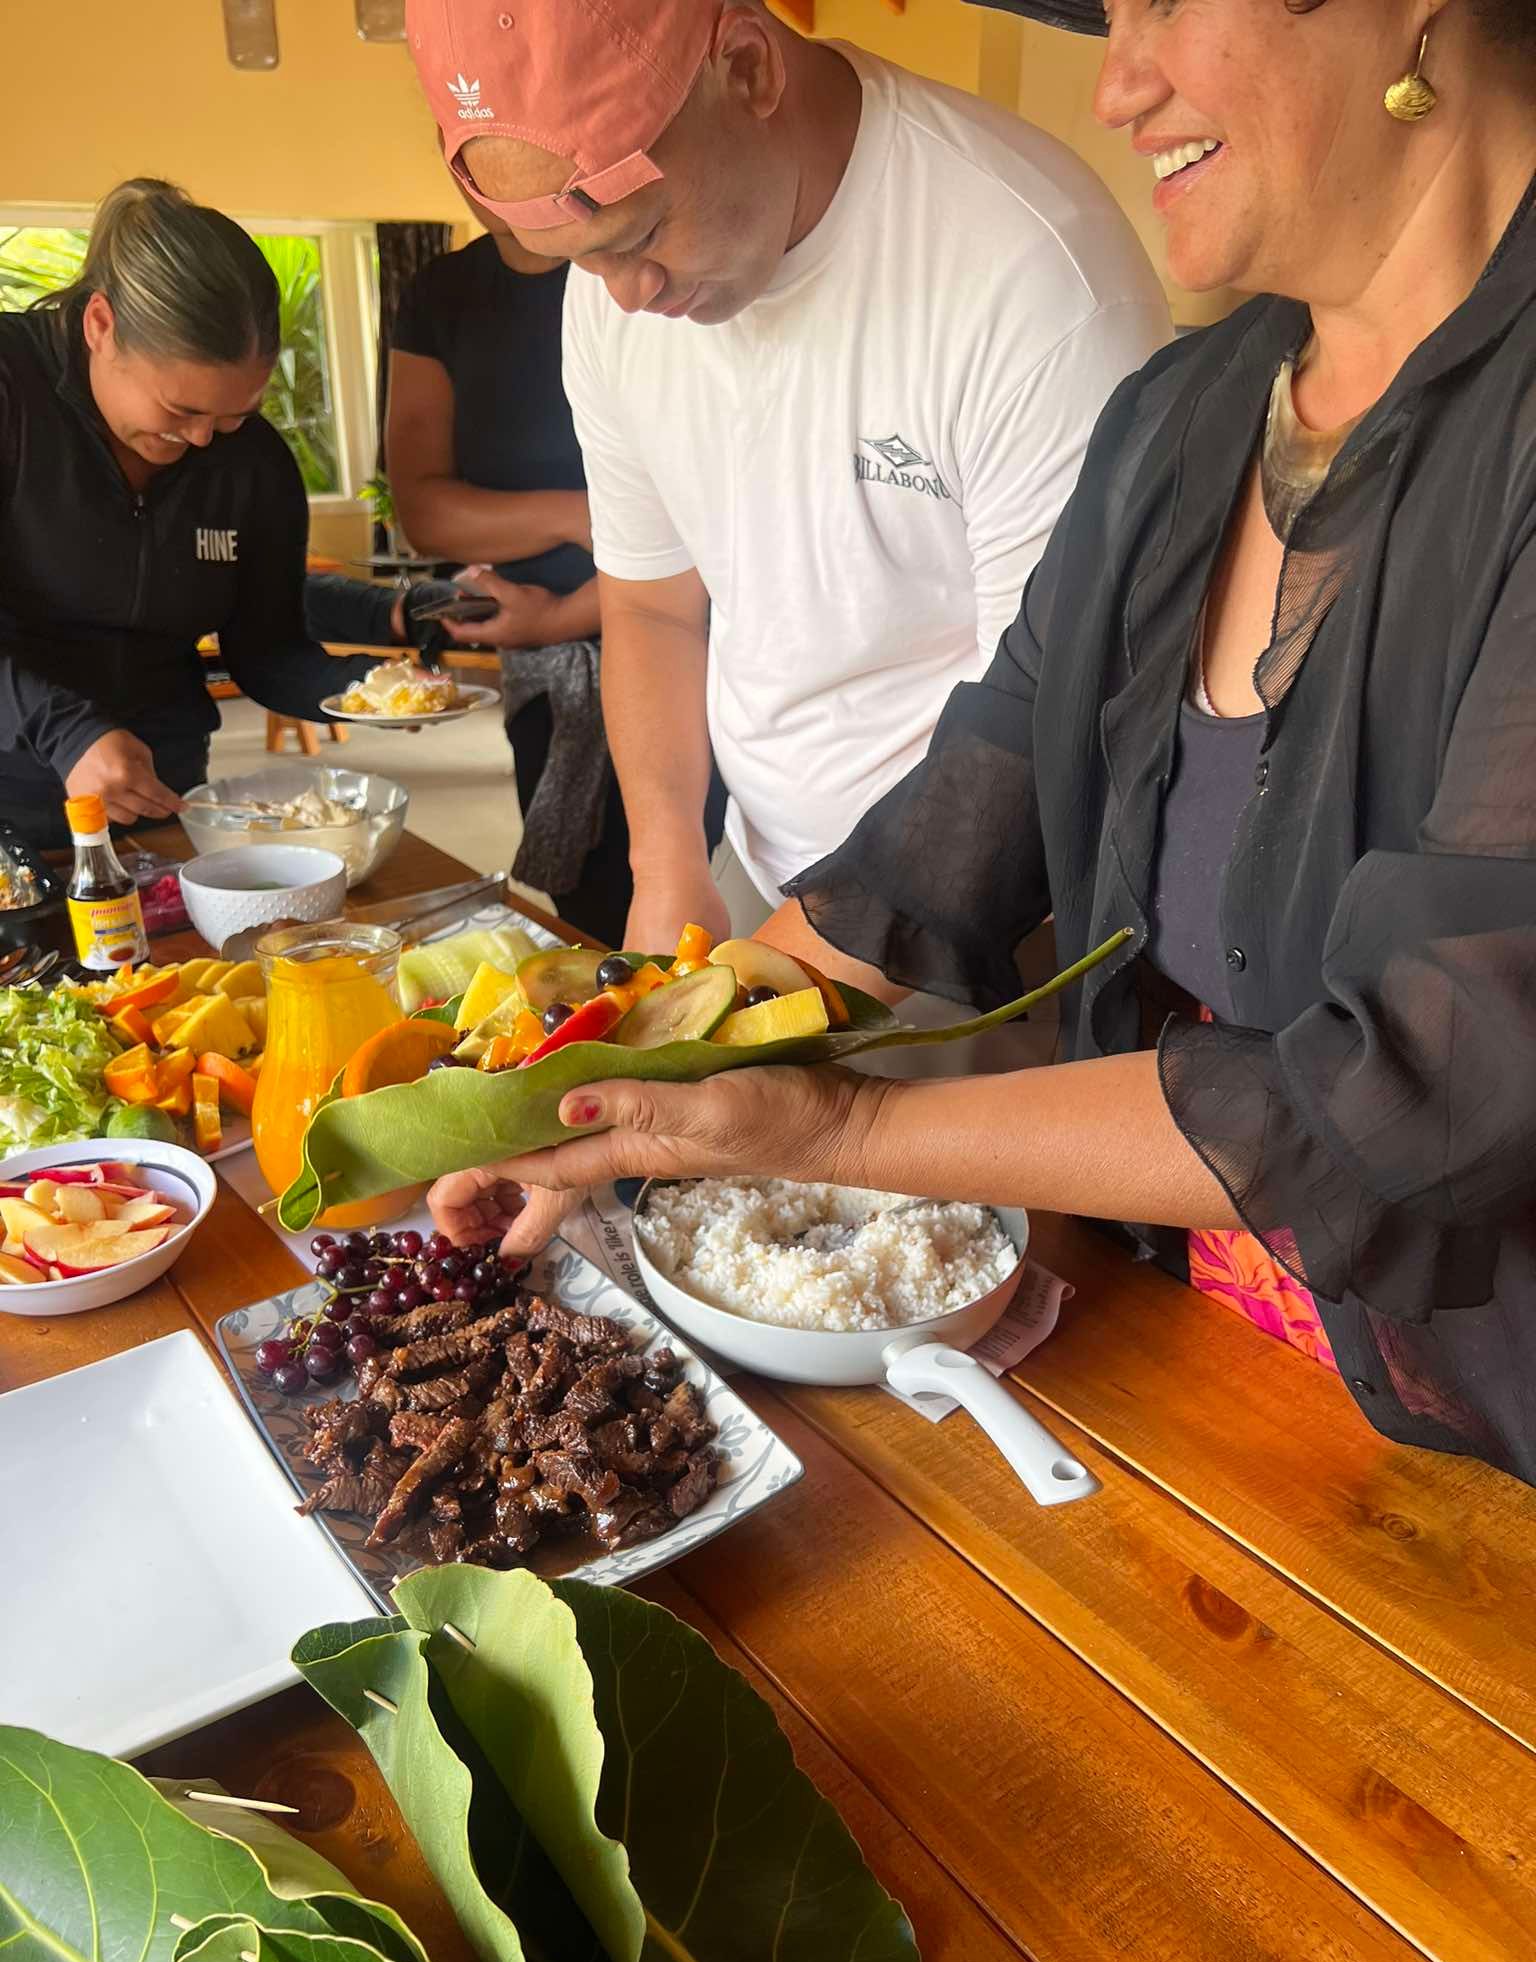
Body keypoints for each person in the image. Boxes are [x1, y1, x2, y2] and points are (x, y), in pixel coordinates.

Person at [430, 0, 1536, 1487]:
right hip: (1211, 1341)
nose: (1120, 81)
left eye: (1169, 6)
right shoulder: (1188, 419)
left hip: (1481, 1418)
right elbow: (965, 815)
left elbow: (1424, 1086)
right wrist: (622, 1087)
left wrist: (835, 1132)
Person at [404, 0, 1170, 957]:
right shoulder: (612, 295)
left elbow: (1042, 733)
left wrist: (793, 981)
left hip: (990, 910)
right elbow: (653, 606)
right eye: (580, 262)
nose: (624, 299)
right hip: (756, 866)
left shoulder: (1030, 274)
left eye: (640, 237)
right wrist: (667, 862)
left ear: (751, 70)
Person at [0, 178, 382, 846]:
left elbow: (268, 650)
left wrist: (371, 687)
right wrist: (66, 732)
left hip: (163, 788)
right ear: (100, 326)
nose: (205, 440)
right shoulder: (12, 393)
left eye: (236, 413)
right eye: (180, 410)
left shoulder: (251, 462)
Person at [384, 196, 650, 940]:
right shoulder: (443, 294)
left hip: (673, 638)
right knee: (585, 902)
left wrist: (567, 610)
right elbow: (426, 513)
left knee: (662, 884)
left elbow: (699, 518)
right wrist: (582, 517)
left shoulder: (643, 269)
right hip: (540, 665)